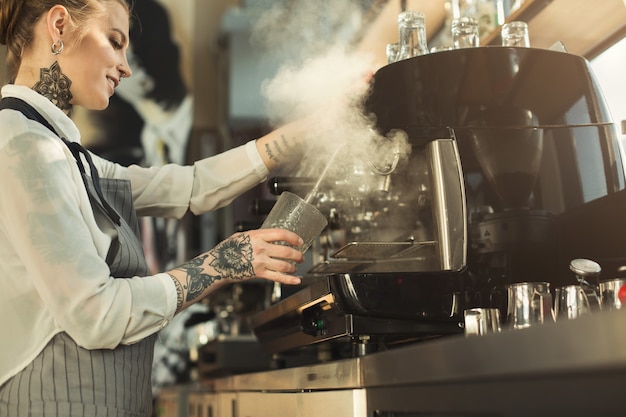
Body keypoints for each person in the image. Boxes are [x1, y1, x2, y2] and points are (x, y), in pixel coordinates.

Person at [0, 1, 311, 416]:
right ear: (59, 25)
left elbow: (191, 187)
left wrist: (308, 131)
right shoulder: (26, 147)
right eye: (114, 42)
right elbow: (97, 313)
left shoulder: (69, 156)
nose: (125, 67)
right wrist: (223, 263)